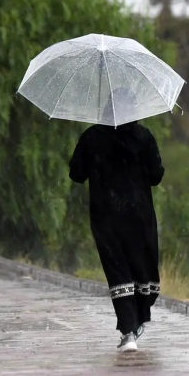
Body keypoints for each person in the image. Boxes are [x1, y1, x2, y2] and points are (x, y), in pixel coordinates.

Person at [68, 89, 164, 353]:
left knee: (118, 270)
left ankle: (129, 330)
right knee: (141, 267)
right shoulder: (144, 137)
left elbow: (76, 173)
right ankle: (138, 319)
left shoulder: (91, 137)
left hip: (106, 216)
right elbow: (156, 176)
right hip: (139, 216)